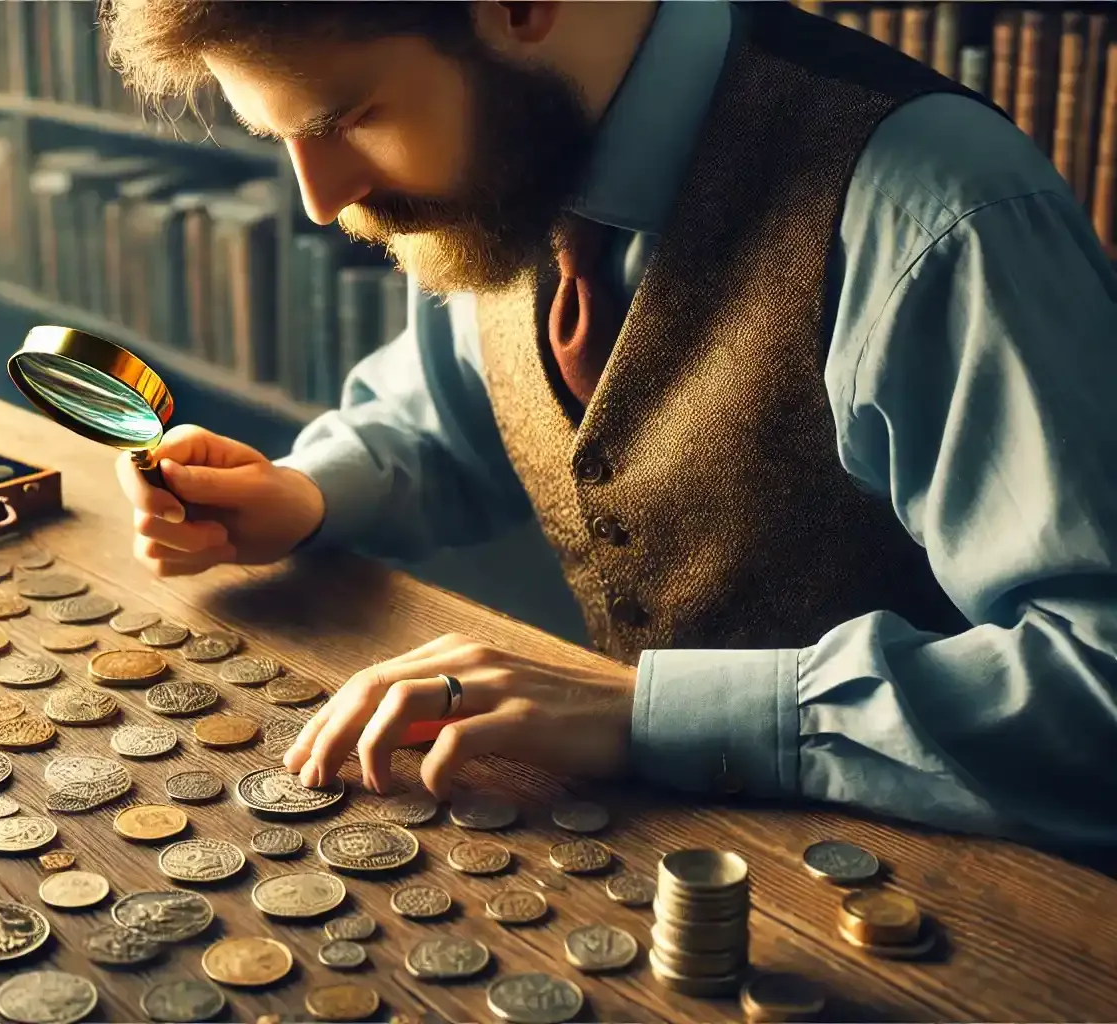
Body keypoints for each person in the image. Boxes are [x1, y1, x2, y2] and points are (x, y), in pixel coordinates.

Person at [101, 0, 1117, 851]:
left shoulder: (941, 215)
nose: (319, 200)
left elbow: (1097, 684)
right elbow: (458, 405)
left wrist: (641, 714)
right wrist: (307, 492)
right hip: (665, 852)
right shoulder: (511, 145)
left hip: (974, 907)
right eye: (275, 136)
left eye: (345, 118)